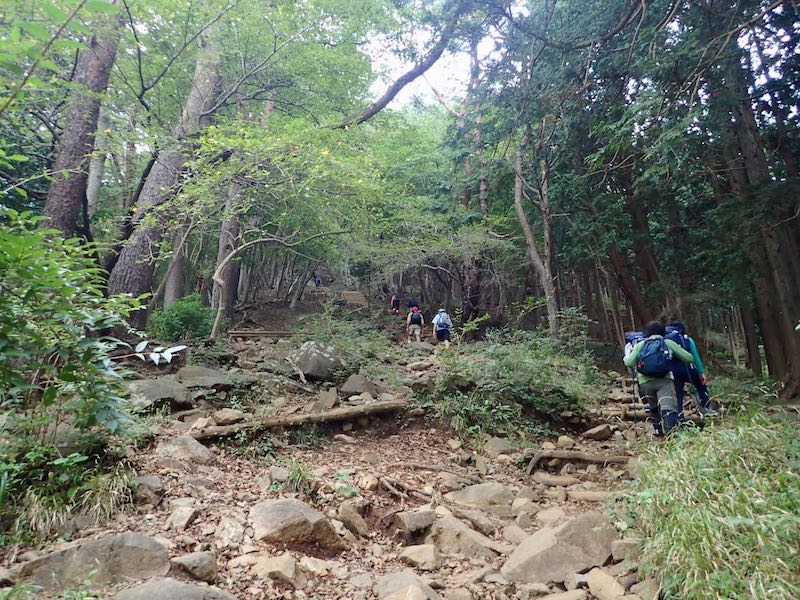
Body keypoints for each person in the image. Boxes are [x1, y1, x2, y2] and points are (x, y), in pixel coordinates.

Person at [624, 320, 695, 436]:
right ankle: (670, 435)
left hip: (645, 382)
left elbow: (629, 362)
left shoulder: (640, 344)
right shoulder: (668, 342)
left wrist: (627, 355)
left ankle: (658, 432)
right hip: (665, 380)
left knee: (653, 407)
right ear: (663, 331)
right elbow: (689, 358)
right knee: (668, 407)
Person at [666, 321, 716, 417]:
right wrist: (701, 372)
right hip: (689, 369)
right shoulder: (688, 340)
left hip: (674, 371)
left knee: (678, 394)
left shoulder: (667, 341)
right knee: (701, 386)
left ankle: (679, 415)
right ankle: (706, 407)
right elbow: (695, 357)